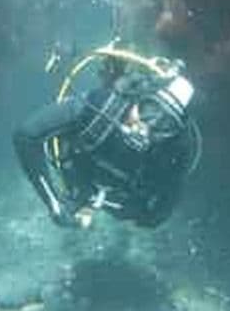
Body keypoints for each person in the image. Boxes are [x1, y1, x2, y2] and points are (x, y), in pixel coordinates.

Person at [13, 43, 201, 228]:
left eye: (164, 125)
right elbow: (25, 136)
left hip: (115, 197)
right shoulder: (101, 106)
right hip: (77, 176)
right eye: (148, 109)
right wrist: (54, 203)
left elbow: (153, 218)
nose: (147, 126)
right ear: (136, 97)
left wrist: (106, 203)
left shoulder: (174, 154)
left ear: (174, 133)